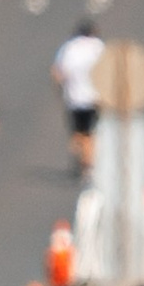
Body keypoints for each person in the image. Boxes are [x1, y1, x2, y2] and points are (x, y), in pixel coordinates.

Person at [53, 16, 105, 175]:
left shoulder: (69, 48)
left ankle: (80, 154)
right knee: (91, 132)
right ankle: (87, 163)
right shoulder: (98, 47)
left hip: (74, 97)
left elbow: (57, 72)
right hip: (94, 97)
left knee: (78, 131)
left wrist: (60, 90)